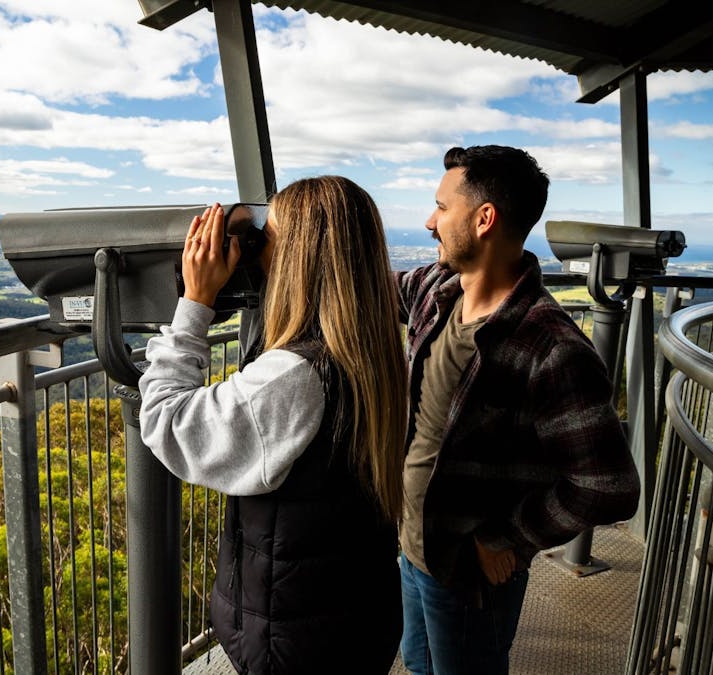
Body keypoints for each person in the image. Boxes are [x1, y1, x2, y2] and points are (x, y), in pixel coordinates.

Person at [138, 176, 408, 674]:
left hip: (296, 639)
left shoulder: (295, 377)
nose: (259, 252)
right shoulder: (379, 352)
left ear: (298, 259)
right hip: (358, 613)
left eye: (269, 239)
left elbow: (167, 421)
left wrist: (194, 305)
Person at [395, 145, 641, 674]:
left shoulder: (552, 349)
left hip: (470, 572)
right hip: (414, 548)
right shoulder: (435, 290)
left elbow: (608, 485)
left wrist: (508, 536)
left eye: (441, 207)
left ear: (484, 219)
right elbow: (361, 286)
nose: (429, 220)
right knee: (418, 666)